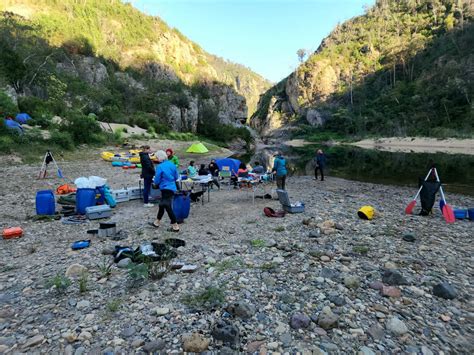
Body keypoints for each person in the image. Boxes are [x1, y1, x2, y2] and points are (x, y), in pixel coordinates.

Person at [150, 150, 180, 232]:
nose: (156, 159)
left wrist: (156, 183)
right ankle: (157, 222)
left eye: (157, 157)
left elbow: (156, 180)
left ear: (160, 157)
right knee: (162, 205)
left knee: (166, 204)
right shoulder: (172, 164)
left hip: (164, 187)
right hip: (172, 187)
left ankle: (175, 226)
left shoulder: (160, 166)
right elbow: (176, 176)